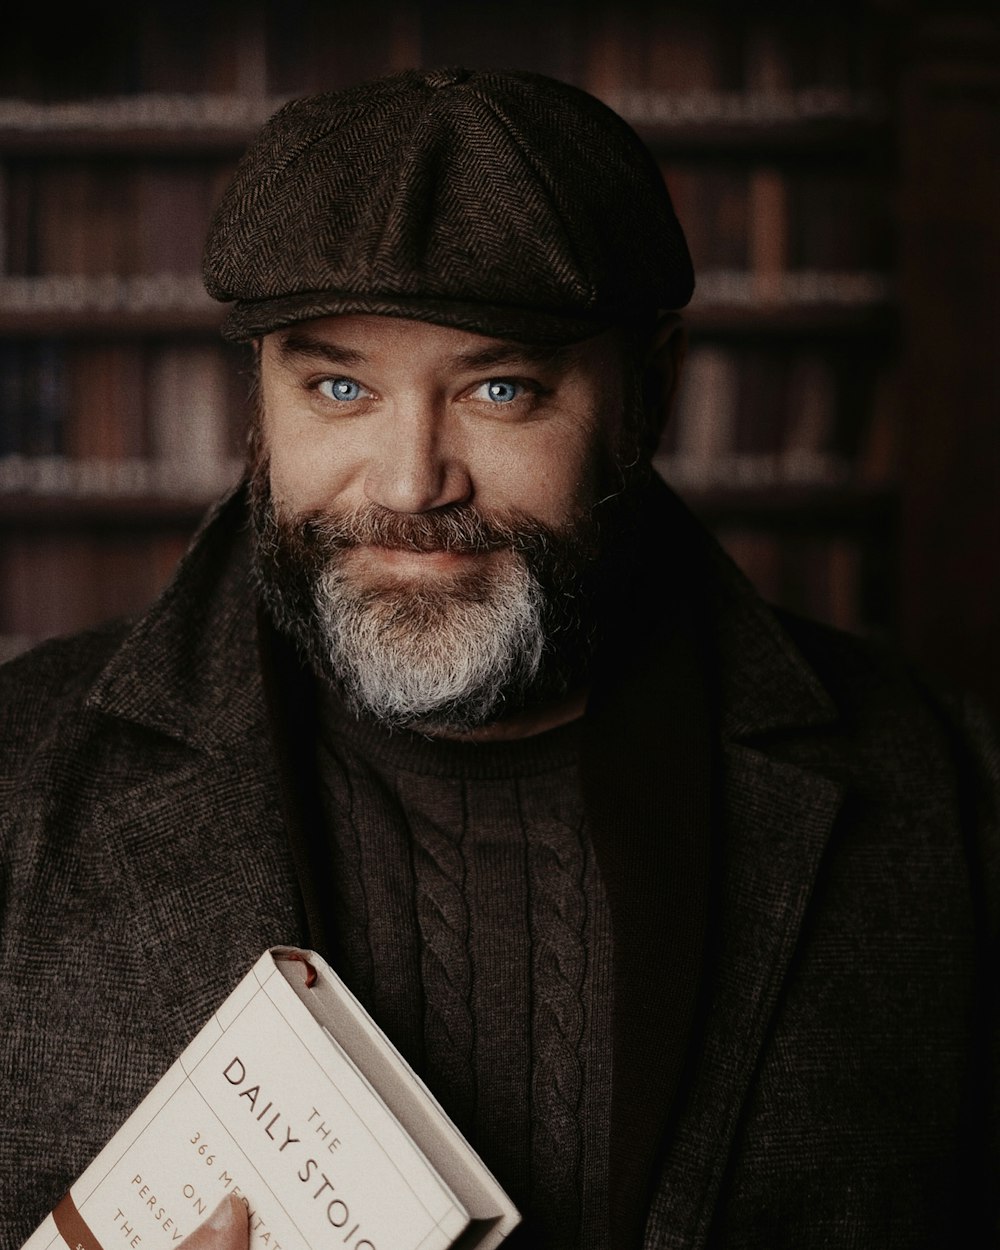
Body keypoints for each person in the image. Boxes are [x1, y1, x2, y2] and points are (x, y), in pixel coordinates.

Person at [1, 67, 997, 1250]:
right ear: (260, 400)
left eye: (501, 387)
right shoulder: (15, 778)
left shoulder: (949, 789)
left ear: (650, 395)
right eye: (336, 385)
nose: (413, 480)